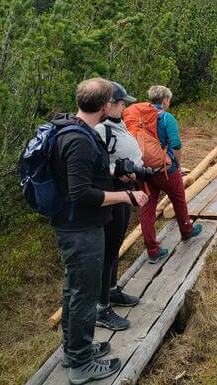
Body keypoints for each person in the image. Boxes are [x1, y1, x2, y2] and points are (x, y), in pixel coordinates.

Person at [49, 77, 148, 385]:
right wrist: (127, 196)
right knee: (83, 294)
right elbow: (81, 193)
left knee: (74, 291)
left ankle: (74, 350)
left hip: (78, 225)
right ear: (106, 106)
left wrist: (116, 175)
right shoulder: (78, 139)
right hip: (80, 227)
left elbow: (84, 179)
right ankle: (80, 366)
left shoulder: (73, 129)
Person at [92, 81, 142, 332]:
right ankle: (101, 307)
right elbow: (97, 166)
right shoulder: (100, 129)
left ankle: (111, 290)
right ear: (109, 105)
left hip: (124, 192)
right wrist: (117, 172)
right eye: (122, 103)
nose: (125, 107)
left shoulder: (117, 125)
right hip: (111, 193)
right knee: (108, 250)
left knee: (115, 247)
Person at [137, 85, 201, 263]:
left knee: (147, 209)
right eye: (169, 100)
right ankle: (187, 231)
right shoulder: (166, 118)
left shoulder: (139, 117)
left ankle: (152, 250)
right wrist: (178, 166)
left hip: (144, 170)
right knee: (178, 199)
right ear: (165, 100)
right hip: (166, 170)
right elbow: (176, 144)